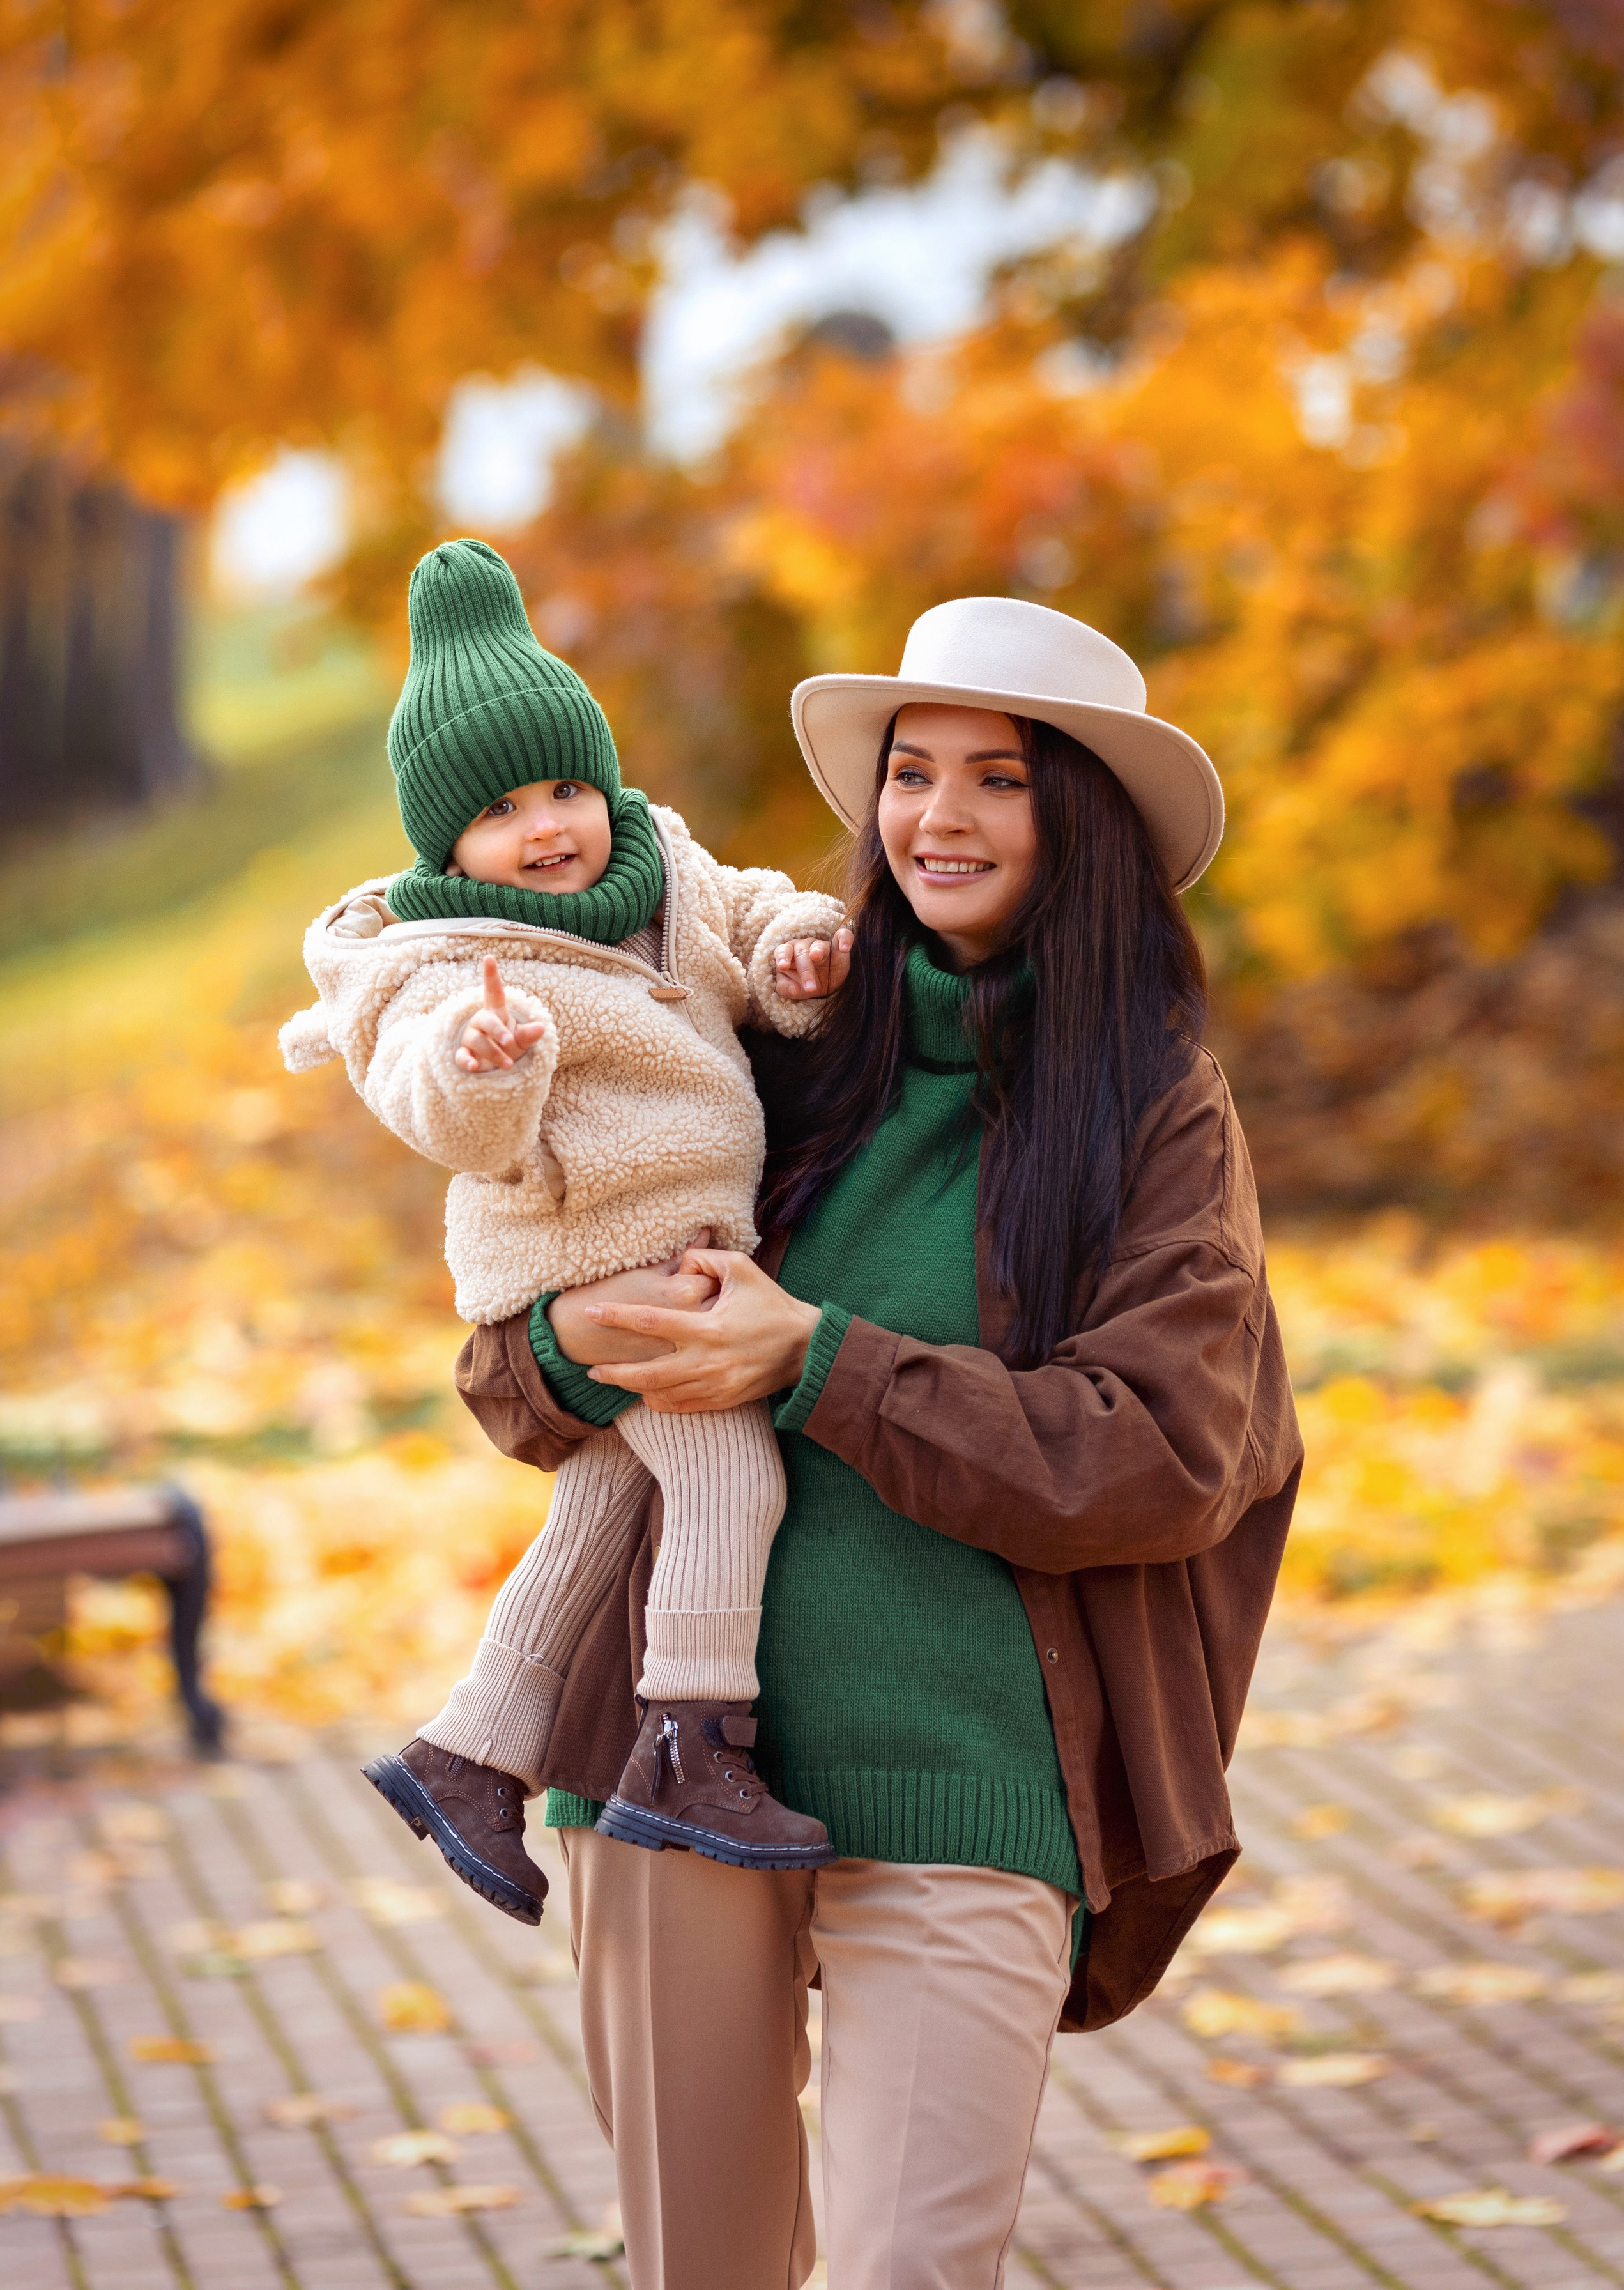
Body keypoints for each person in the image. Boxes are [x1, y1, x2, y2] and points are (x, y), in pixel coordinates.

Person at [456, 594, 1305, 2290]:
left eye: (999, 778)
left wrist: (820, 1360)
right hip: (671, 1773)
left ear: (1085, 823)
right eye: (912, 773)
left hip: (969, 1782)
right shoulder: (765, 1045)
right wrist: (565, 1342)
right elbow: (508, 1369)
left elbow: (1159, 1452)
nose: (938, 816)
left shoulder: (1152, 1108)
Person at [280, 537, 854, 1925]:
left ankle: (469, 1750)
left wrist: (799, 947)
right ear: (447, 846)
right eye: (500, 811)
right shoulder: (437, 964)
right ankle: (691, 1747)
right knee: (733, 1482)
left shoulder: (668, 869)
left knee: (603, 1505)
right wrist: (485, 1062)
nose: (546, 827)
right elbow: (438, 1109)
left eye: (564, 789)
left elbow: (761, 914)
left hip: (678, 1248)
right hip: (589, 1258)